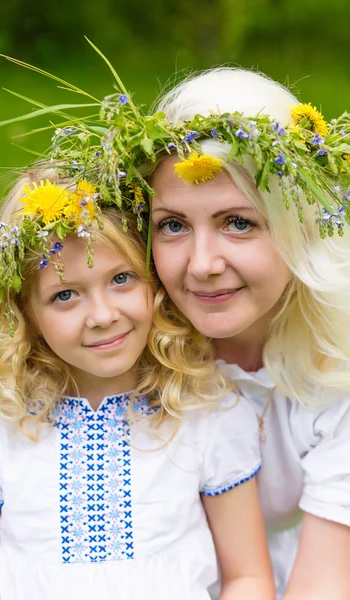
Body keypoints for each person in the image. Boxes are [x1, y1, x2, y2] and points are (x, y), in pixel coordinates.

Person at [0, 167, 274, 599]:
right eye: (65, 295)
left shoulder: (206, 410)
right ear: (27, 314)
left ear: (155, 281)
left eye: (121, 279)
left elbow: (247, 579)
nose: (102, 316)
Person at [145, 68, 350, 599]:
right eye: (173, 225)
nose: (202, 264)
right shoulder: (116, 350)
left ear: (296, 226)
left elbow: (323, 583)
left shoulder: (338, 366)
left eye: (238, 222)